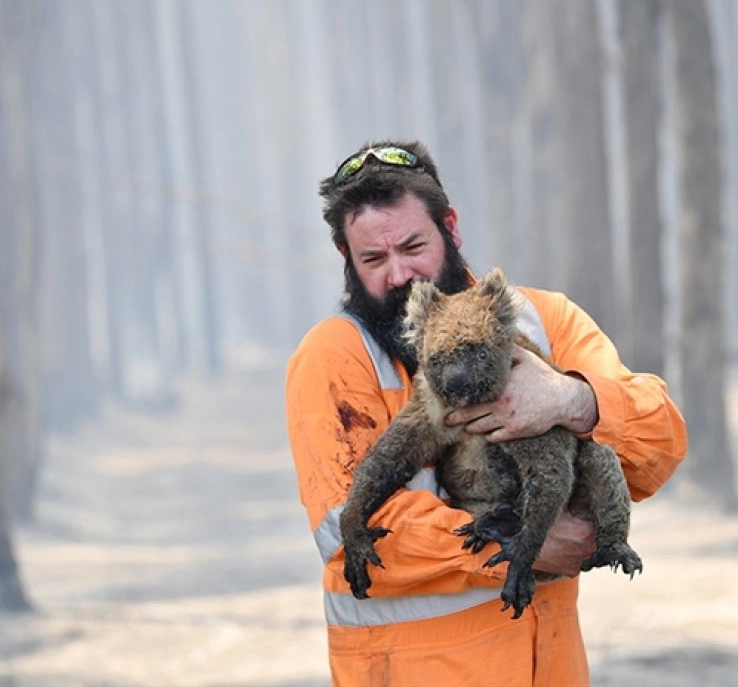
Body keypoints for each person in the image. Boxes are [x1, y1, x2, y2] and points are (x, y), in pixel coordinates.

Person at [285, 140, 687, 686]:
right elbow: (344, 527)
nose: (402, 275)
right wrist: (518, 545)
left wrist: (575, 401)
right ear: (347, 260)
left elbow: (660, 443)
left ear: (450, 227)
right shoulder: (333, 357)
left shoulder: (543, 320)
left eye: (413, 246)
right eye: (374, 259)